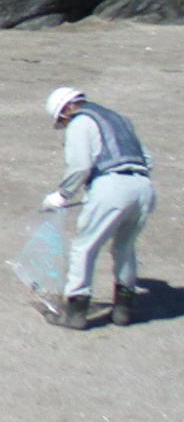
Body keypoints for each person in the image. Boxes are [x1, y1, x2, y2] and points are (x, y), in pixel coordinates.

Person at [39, 87, 157, 330]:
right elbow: (148, 159)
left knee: (85, 247)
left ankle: (75, 311)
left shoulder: (80, 122)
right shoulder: (119, 119)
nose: (63, 125)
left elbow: (80, 165)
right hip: (143, 187)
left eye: (61, 121)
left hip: (111, 187)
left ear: (65, 111)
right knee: (125, 246)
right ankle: (123, 310)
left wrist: (63, 194)